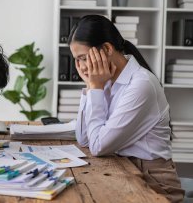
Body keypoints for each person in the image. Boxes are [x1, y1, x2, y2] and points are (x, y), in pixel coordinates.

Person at [68, 15, 184, 203]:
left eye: (83, 58)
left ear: (106, 49)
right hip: (122, 174)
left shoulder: (141, 84)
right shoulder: (105, 79)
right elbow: (84, 138)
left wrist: (95, 87)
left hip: (154, 185)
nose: (80, 67)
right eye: (77, 60)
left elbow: (98, 146)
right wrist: (90, 87)